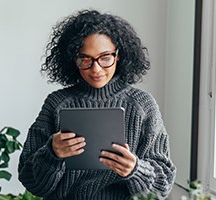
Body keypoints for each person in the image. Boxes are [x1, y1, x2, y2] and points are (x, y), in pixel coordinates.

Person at [18, 9, 176, 199]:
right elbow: (30, 181)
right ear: (72, 59)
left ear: (118, 55)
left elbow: (162, 186)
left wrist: (135, 169)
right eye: (85, 59)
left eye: (105, 57)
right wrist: (51, 154)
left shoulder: (142, 105)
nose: (96, 69)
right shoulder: (57, 103)